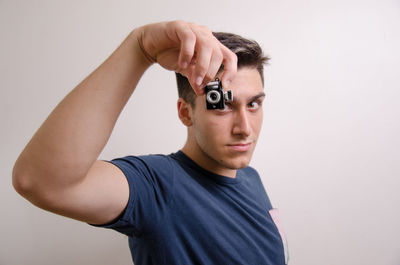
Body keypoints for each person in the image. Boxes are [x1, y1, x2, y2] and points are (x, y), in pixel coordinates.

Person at [12, 20, 289, 264]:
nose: (244, 128)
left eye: (254, 104)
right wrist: (139, 49)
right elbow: (41, 181)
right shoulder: (159, 185)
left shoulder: (251, 178)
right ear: (185, 112)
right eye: (222, 106)